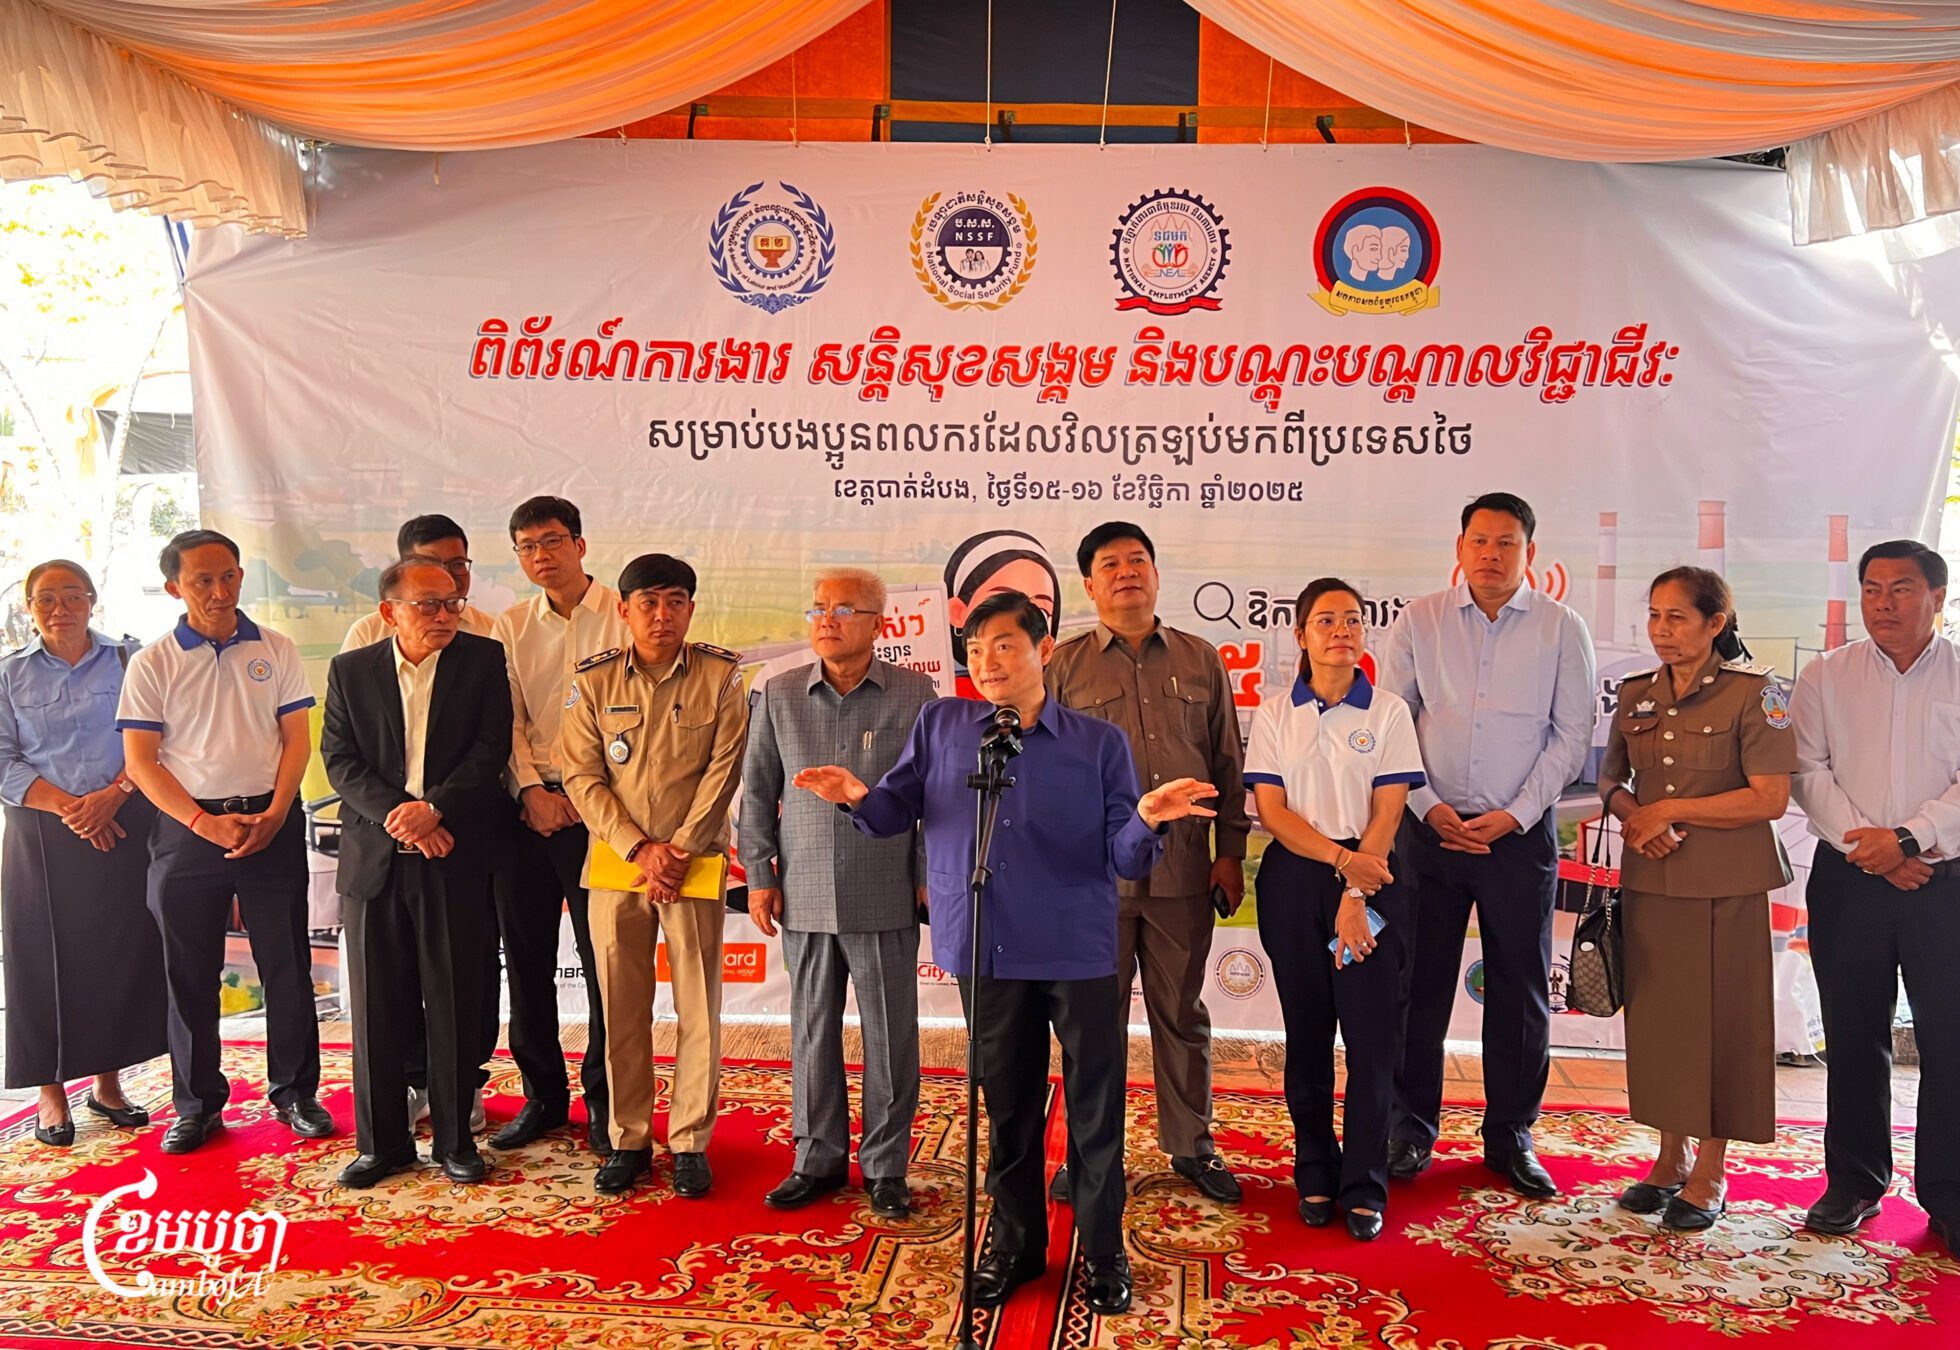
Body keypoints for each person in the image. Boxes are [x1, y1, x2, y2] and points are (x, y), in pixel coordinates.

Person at [794, 590, 1220, 1317]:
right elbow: (897, 809)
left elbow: (1123, 854)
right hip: (985, 944)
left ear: (1043, 651)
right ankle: (1016, 1244)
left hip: (1078, 948)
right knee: (1009, 1108)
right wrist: (857, 795)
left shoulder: (1097, 742)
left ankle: (1103, 1248)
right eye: (976, 648)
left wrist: (1149, 816)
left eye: (1005, 645)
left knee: (1094, 1109)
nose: (987, 661)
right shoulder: (943, 724)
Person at [1378, 492, 1594, 1198]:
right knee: (1418, 988)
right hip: (1429, 834)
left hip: (1517, 838)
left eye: (1507, 543)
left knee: (1520, 991)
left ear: (1531, 551)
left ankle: (1511, 1136)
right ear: (1460, 545)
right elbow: (1394, 722)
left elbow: (1570, 738)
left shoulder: (1564, 630)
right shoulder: (1421, 620)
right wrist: (1427, 805)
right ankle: (1409, 1128)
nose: (1492, 555)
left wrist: (1518, 813)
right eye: (1480, 541)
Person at [1045, 522, 1249, 1204]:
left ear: (1157, 575)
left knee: (1181, 1015)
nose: (1127, 572)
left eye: (1138, 560)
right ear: (1089, 585)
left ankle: (1192, 1147)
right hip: (1094, 881)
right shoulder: (1064, 667)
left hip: (1185, 873)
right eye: (1111, 564)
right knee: (1090, 1025)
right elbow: (1045, 774)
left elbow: (1227, 762)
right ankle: (1087, 1152)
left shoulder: (1199, 659)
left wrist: (1230, 855)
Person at [116, 530, 333, 1153]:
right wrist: (200, 823)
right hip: (189, 832)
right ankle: (198, 1104)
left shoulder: (276, 647)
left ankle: (296, 1094)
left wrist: (278, 808)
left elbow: (296, 740)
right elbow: (142, 761)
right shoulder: (153, 662)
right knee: (188, 972)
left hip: (271, 822)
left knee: (287, 964)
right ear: (174, 587)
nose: (219, 590)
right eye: (203, 580)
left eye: (229, 576)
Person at [1598, 567, 1792, 1231]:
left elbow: (1769, 796)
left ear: (1716, 623)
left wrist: (1671, 810)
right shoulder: (1636, 694)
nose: (1662, 630)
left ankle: (1712, 1168)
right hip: (1653, 881)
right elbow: (1610, 780)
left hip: (1727, 885)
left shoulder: (1756, 694)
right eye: (1654, 616)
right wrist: (1635, 818)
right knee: (1662, 1024)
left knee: (1724, 1024)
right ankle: (1669, 1157)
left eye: (1678, 617)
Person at [741, 568, 937, 1218]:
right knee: (812, 1032)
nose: (826, 619)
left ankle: (885, 1167)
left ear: (879, 624)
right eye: (817, 608)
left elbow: (929, 799)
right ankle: (816, 1158)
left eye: (844, 609)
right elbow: (757, 793)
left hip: (883, 890)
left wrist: (924, 879)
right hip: (804, 893)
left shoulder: (915, 693)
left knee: (890, 1036)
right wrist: (762, 877)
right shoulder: (780, 692)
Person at [322, 556, 513, 1187]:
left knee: (455, 1001)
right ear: (390, 612)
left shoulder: (482, 662)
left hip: (452, 852)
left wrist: (434, 812)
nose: (443, 615)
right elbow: (340, 762)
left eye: (452, 602)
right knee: (377, 1006)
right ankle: (383, 1146)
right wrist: (399, 817)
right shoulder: (352, 670)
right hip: (376, 862)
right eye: (427, 604)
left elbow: (491, 751)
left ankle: (456, 1139)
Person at [1791, 539, 1960, 1254]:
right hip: (1850, 880)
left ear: (1938, 598)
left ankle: (1949, 1196)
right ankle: (1854, 1181)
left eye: (1902, 588)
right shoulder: (1826, 675)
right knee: (1853, 1033)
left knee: (1949, 1042)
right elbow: (1805, 769)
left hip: (1944, 883)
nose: (1883, 603)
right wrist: (1873, 848)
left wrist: (1912, 839)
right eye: (1872, 588)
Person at [561, 553, 748, 1197]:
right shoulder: (593, 682)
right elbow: (582, 777)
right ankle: (628, 1138)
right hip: (617, 865)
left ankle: (692, 1139)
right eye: (648, 603)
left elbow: (724, 771)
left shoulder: (723, 679)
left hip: (693, 866)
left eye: (674, 602)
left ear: (691, 609)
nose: (661, 615)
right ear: (624, 610)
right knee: (621, 1009)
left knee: (699, 1006)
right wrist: (641, 849)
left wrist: (679, 850)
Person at [1245, 579, 1426, 1241]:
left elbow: (1389, 808)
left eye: (1353, 619)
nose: (1342, 630)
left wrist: (1356, 888)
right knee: (1309, 1036)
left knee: (1372, 1041)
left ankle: (1365, 1184)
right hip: (1297, 878)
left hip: (1372, 875)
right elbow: (1272, 812)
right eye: (1326, 620)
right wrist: (1339, 866)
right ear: (1300, 635)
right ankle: (1315, 1170)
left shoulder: (1387, 712)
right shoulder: (1274, 713)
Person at [0, 560, 165, 1147]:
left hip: (123, 815)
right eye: (45, 598)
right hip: (41, 831)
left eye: (72, 595)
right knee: (39, 958)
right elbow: (3, 758)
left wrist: (112, 797)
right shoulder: (8, 674)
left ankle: (107, 1084)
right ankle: (50, 1092)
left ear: (93, 600)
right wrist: (72, 807)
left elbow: (159, 734)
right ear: (28, 606)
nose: (59, 607)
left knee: (116, 950)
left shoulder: (130, 658)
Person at [487, 495, 627, 1154]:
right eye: (527, 546)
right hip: (529, 813)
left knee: (605, 965)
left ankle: (606, 1102)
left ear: (580, 545)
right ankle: (543, 1097)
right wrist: (532, 791)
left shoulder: (626, 618)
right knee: (527, 958)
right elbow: (506, 721)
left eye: (551, 541)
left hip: (605, 816)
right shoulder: (510, 627)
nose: (540, 556)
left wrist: (588, 795)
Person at [340, 514, 497, 652]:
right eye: (431, 565)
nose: (446, 577)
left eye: (457, 564)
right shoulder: (368, 633)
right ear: (404, 567)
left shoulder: (493, 633)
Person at [944, 529, 1062, 699]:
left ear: (1046, 648)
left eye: (1041, 610)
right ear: (958, 612)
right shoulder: (941, 707)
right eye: (1000, 604)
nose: (1019, 618)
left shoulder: (1063, 688)